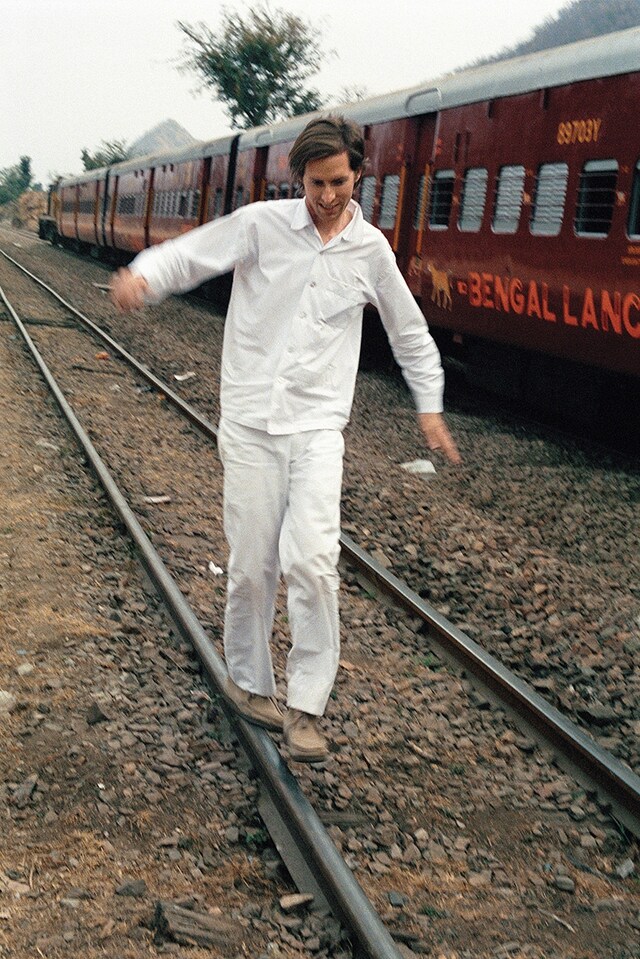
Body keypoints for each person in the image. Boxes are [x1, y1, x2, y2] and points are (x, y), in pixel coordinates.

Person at [110, 115, 461, 762]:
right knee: (251, 565)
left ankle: (305, 706)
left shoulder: (371, 251)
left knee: (313, 561)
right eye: (315, 182)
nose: (327, 195)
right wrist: (144, 275)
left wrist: (429, 406)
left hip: (318, 428)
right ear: (297, 177)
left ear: (358, 175)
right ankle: (249, 682)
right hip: (249, 422)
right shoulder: (261, 225)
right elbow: (191, 253)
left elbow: (410, 333)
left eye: (339, 181)